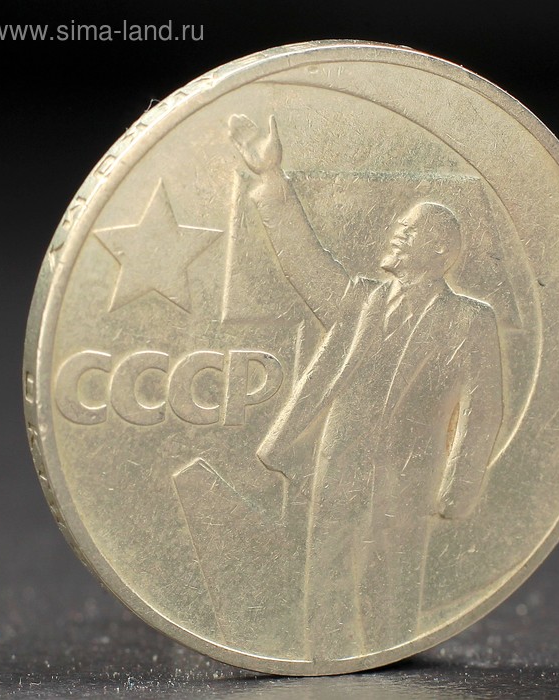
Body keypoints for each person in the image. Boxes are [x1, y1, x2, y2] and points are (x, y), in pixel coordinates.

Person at [229, 114, 504, 660]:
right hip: (338, 465)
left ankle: (386, 666)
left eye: (411, 231)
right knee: (326, 578)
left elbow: (482, 410)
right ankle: (325, 665)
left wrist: (458, 490)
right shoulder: (360, 299)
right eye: (399, 226)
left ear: (440, 251)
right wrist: (272, 181)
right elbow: (305, 262)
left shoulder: (469, 319)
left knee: (392, 586)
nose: (397, 234)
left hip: (409, 475)